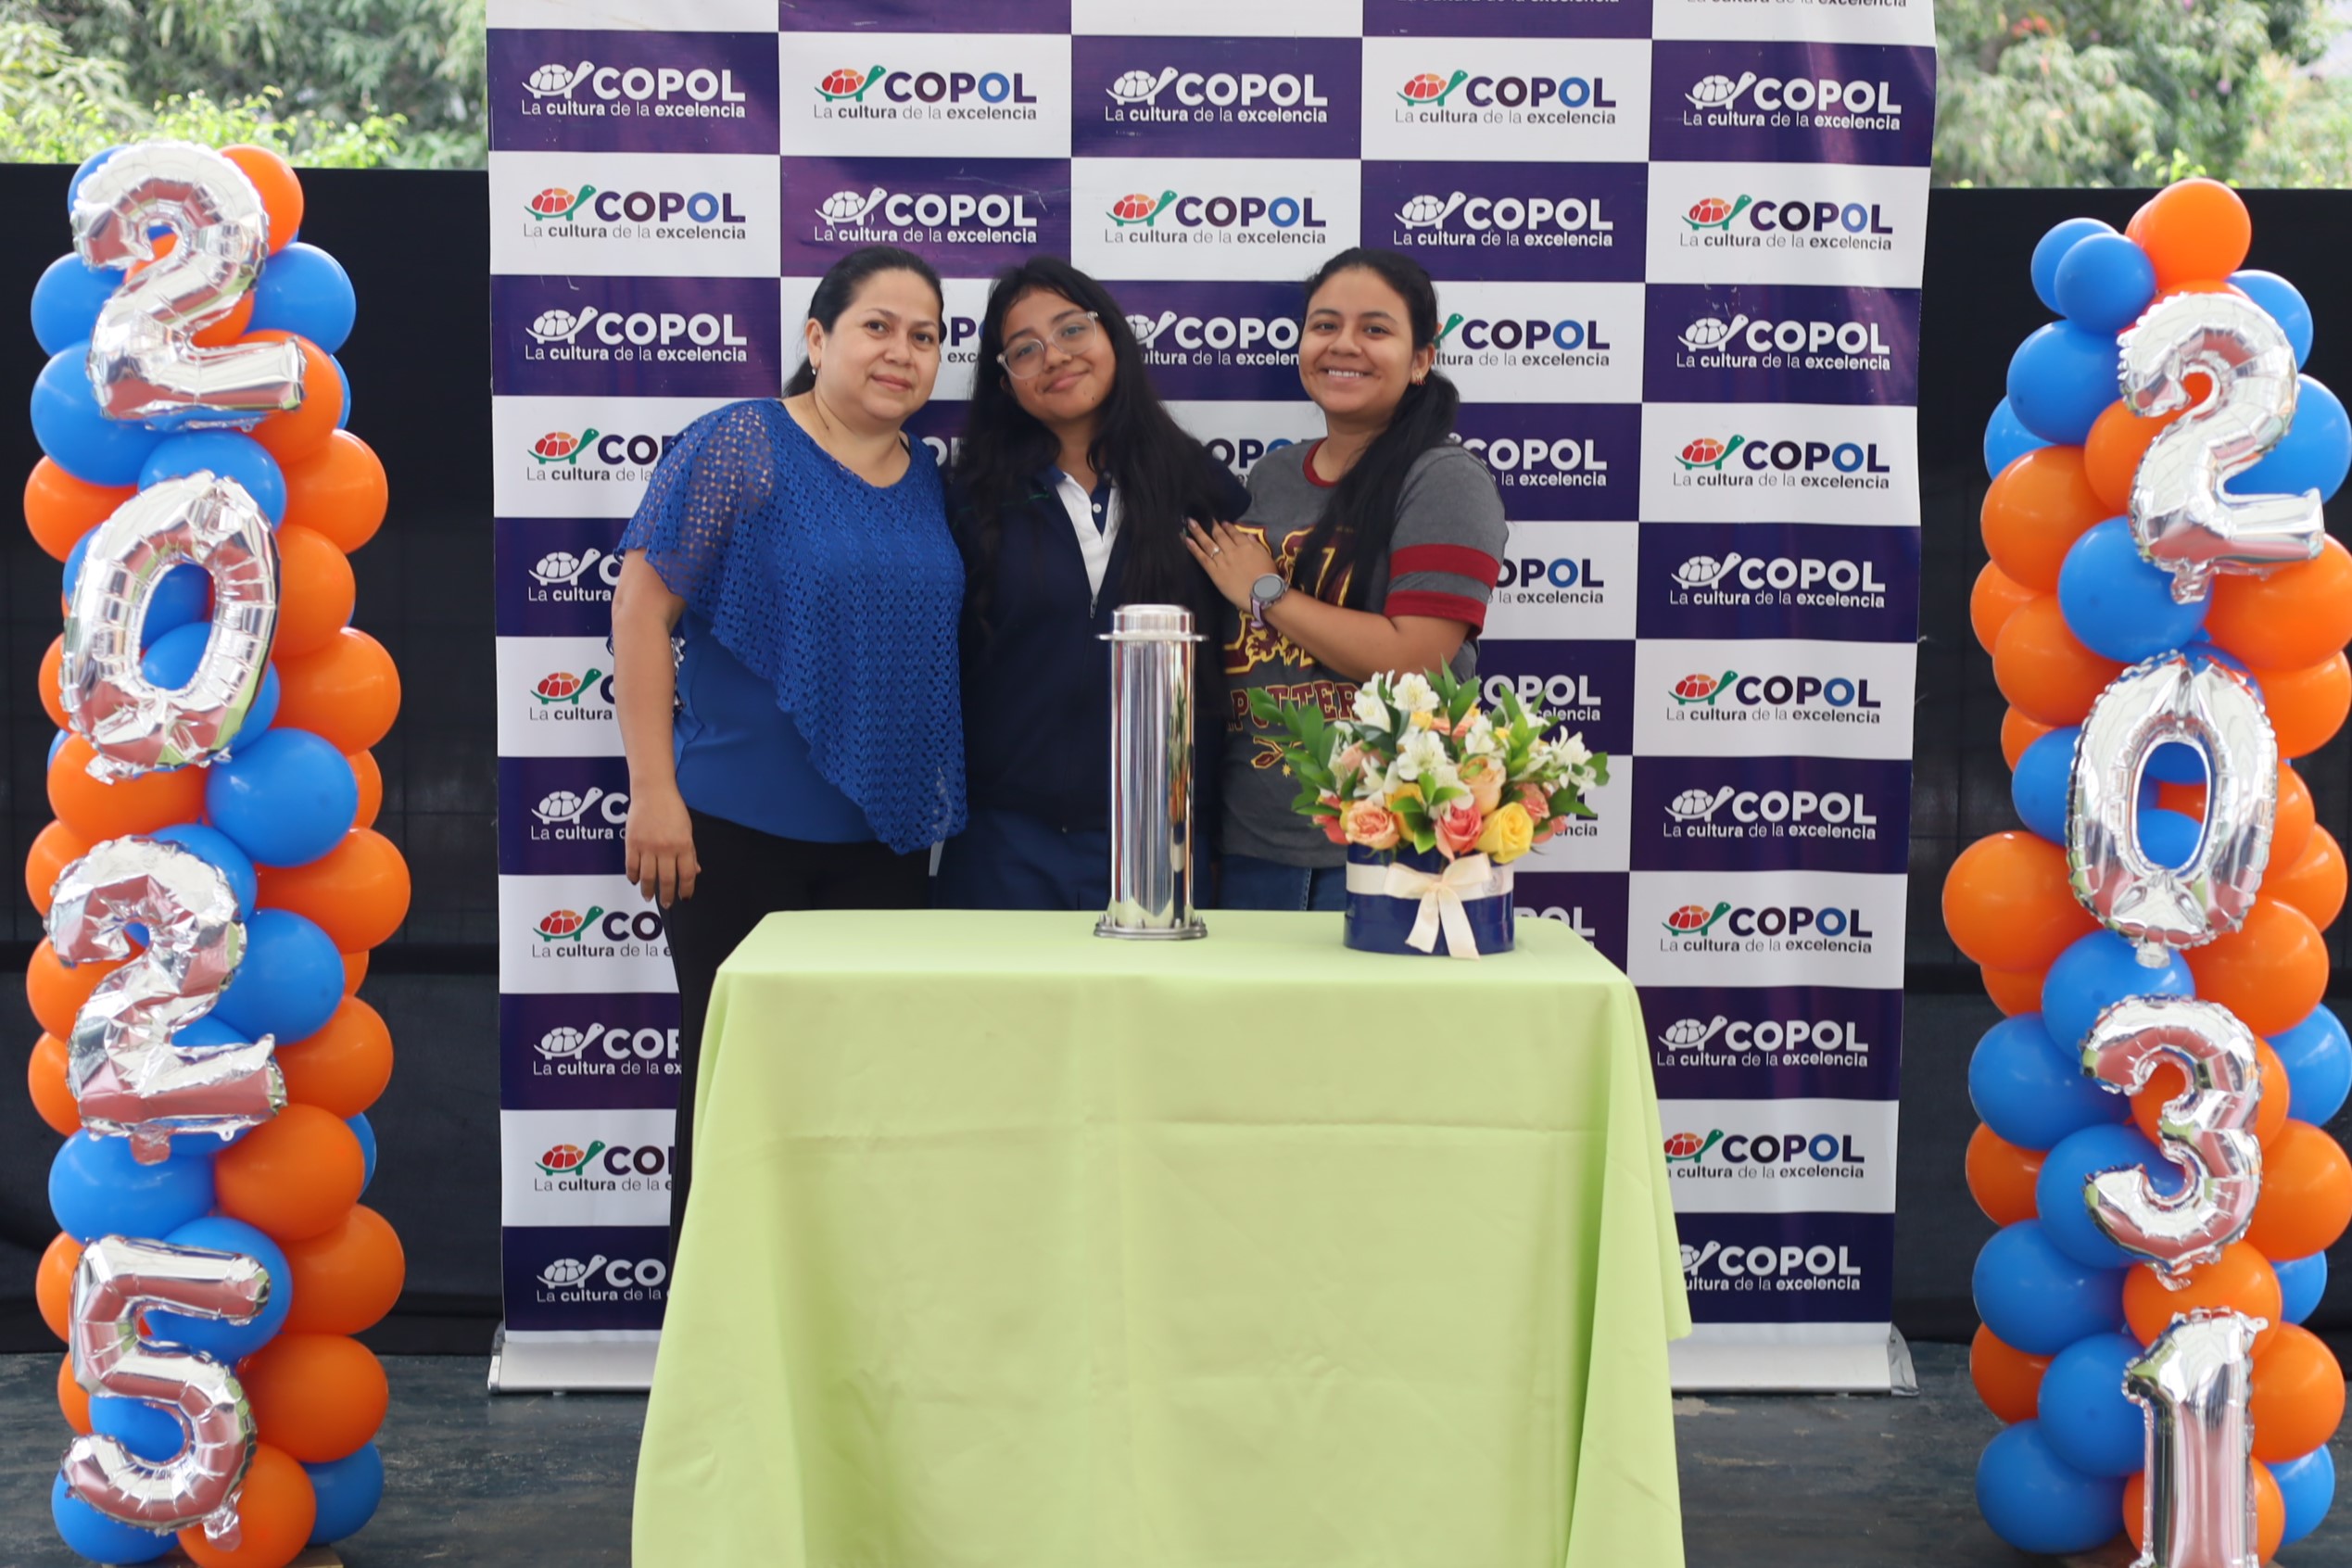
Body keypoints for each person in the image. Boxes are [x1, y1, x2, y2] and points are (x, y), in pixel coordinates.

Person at [610, 246, 965, 1263]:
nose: (902, 352)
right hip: (732, 837)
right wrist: (652, 792)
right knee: (734, 1097)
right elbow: (640, 611)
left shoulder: (929, 479)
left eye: (926, 336)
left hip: (883, 847)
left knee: (858, 1106)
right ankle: (711, 1337)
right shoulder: (743, 443)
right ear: (817, 337)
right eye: (877, 326)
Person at [1184, 247, 1508, 912]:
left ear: (1421, 360)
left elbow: (1418, 659)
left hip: (1388, 845)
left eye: (1375, 329)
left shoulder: (1444, 478)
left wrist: (1267, 593)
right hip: (1254, 843)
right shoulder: (1274, 476)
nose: (1344, 345)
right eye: (1325, 325)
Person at [936, 257, 1247, 910]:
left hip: (1162, 836)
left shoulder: (1200, 488)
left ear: (1112, 336)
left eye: (1071, 329)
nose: (1053, 356)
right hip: (1004, 839)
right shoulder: (969, 500)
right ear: (1005, 383)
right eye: (1025, 349)